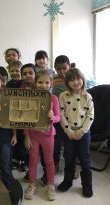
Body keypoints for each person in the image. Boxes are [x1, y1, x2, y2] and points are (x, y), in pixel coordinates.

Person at [57, 68, 94, 198]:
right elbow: (61, 114)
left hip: (84, 132)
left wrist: (82, 131)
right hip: (69, 132)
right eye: (72, 80)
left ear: (83, 80)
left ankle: (87, 185)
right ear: (67, 82)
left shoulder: (87, 96)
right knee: (69, 157)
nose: (76, 82)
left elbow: (90, 115)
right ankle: (67, 181)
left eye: (78, 79)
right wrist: (68, 131)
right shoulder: (63, 96)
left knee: (84, 158)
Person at [24, 70, 60, 201]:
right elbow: (25, 119)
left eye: (46, 82)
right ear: (35, 82)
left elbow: (58, 118)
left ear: (51, 83)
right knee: (33, 160)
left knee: (49, 160)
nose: (43, 85)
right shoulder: (31, 97)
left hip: (48, 135)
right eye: (40, 82)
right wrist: (26, 136)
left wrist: (52, 117)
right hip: (33, 135)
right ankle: (31, 185)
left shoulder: (54, 98)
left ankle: (51, 186)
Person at [38, 55, 71, 186]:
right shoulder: (53, 79)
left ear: (69, 66)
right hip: (54, 117)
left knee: (70, 147)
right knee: (54, 147)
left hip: (69, 118)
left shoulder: (74, 79)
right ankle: (51, 169)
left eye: (64, 68)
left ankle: (73, 168)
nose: (62, 71)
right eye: (58, 69)